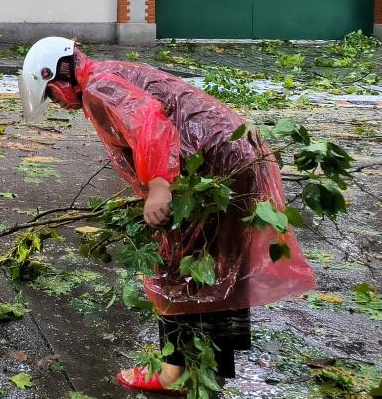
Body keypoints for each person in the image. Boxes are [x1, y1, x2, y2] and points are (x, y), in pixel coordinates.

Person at [18, 37, 316, 394]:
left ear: (60, 75)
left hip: (212, 168)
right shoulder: (108, 75)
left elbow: (148, 123)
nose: (57, 103)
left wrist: (159, 186)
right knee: (216, 265)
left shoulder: (99, 87)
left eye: (51, 94)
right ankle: (209, 365)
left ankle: (176, 373)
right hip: (229, 161)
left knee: (177, 266)